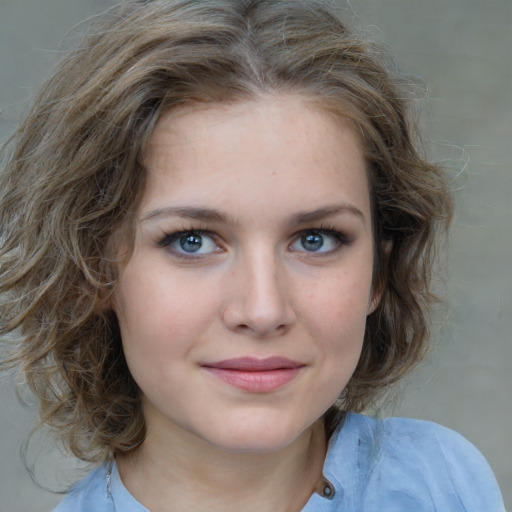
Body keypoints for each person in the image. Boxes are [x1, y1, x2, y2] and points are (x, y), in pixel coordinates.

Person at [0, 1, 505, 511]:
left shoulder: (443, 483)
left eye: (316, 239)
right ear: (92, 273)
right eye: (191, 241)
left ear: (379, 272)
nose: (263, 311)